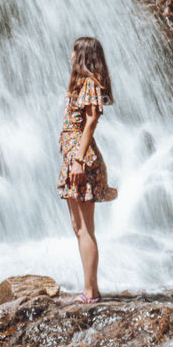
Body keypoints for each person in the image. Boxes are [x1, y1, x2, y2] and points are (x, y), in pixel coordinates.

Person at [58, 35, 117, 303]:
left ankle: (90, 291)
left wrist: (79, 160)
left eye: (73, 51)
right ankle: (90, 287)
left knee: (85, 229)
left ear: (82, 55)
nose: (70, 55)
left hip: (80, 158)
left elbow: (92, 120)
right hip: (73, 157)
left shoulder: (91, 84)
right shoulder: (82, 84)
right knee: (78, 226)